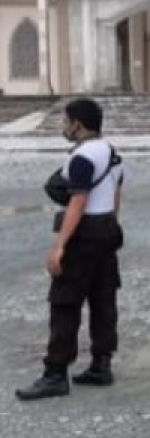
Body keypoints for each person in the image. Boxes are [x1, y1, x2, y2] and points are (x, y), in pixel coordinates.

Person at [18, 99, 126, 402]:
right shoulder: (112, 153)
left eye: (66, 122)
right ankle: (101, 364)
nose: (63, 127)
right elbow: (116, 195)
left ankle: (55, 373)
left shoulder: (81, 158)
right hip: (107, 228)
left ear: (78, 124)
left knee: (65, 302)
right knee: (103, 297)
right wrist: (112, 227)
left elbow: (77, 202)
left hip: (84, 232)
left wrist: (59, 245)